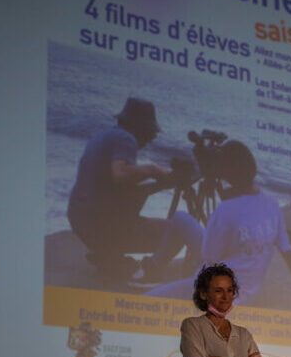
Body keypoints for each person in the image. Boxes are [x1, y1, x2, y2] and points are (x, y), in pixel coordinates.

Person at [148, 140, 291, 305]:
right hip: (247, 291)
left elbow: (209, 257)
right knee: (181, 218)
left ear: (225, 173)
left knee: (150, 296)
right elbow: (287, 252)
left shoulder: (225, 209)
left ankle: (151, 271)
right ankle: (153, 268)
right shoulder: (272, 203)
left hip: (217, 289)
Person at [66, 97, 202, 280]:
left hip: (81, 221)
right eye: (150, 133)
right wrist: (153, 170)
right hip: (101, 226)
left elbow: (122, 190)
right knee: (173, 231)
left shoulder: (103, 136)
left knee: (135, 219)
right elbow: (121, 175)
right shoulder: (126, 138)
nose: (150, 140)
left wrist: (164, 182)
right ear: (141, 127)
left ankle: (109, 257)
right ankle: (149, 271)